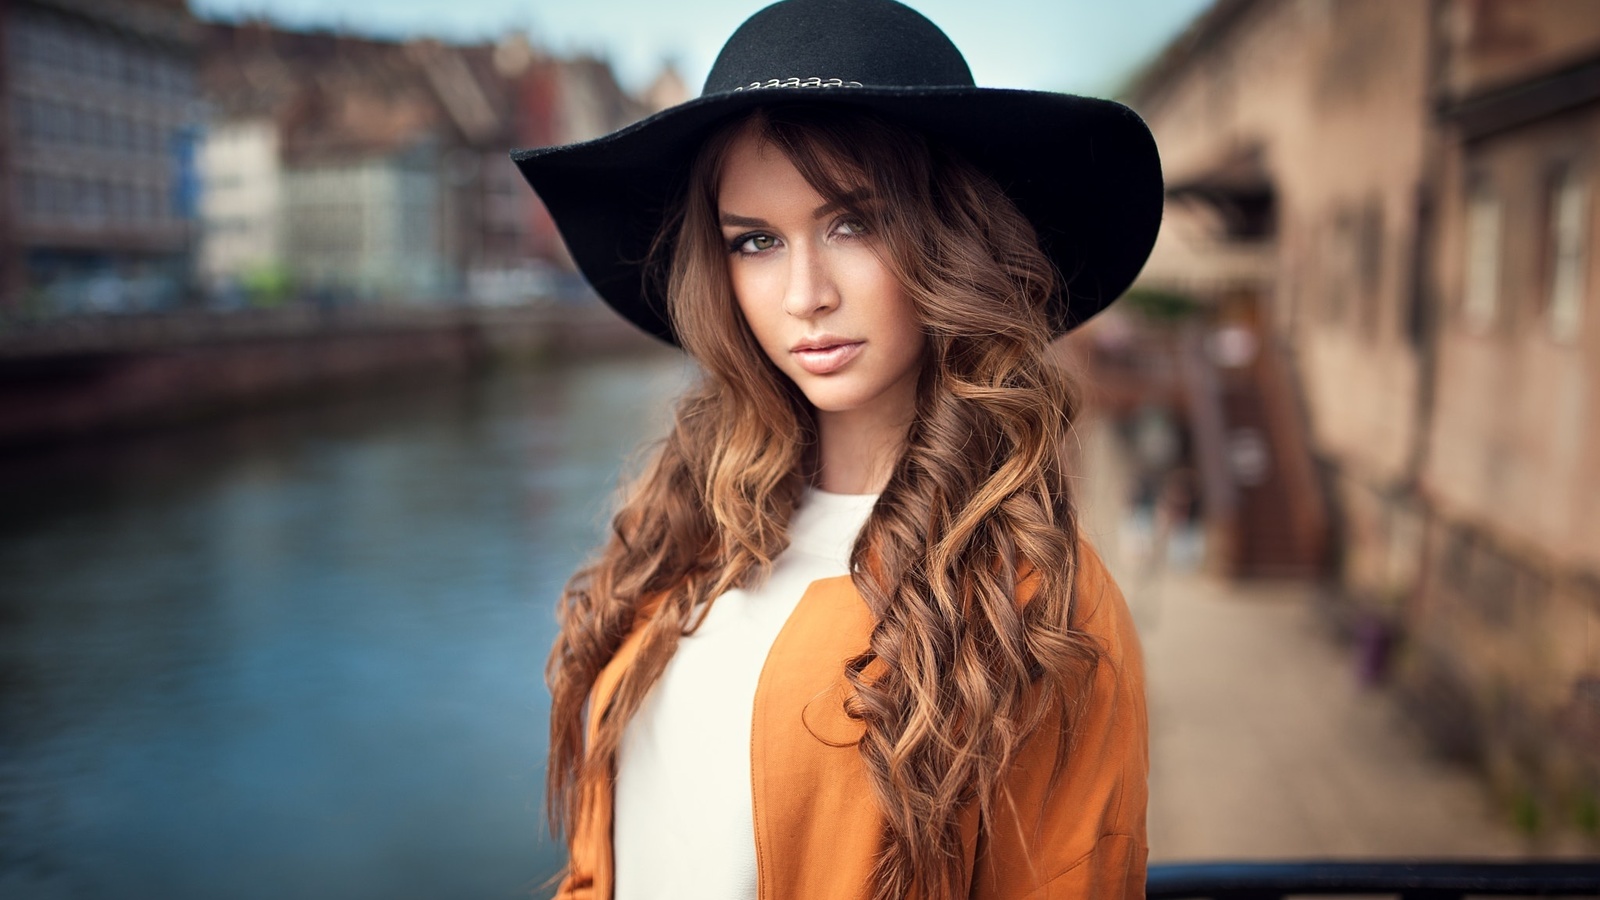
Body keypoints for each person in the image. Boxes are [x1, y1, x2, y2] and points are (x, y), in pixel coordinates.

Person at [512, 1, 1161, 897]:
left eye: (854, 223)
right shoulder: (685, 529)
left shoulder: (1040, 602)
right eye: (757, 241)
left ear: (950, 241)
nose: (804, 293)